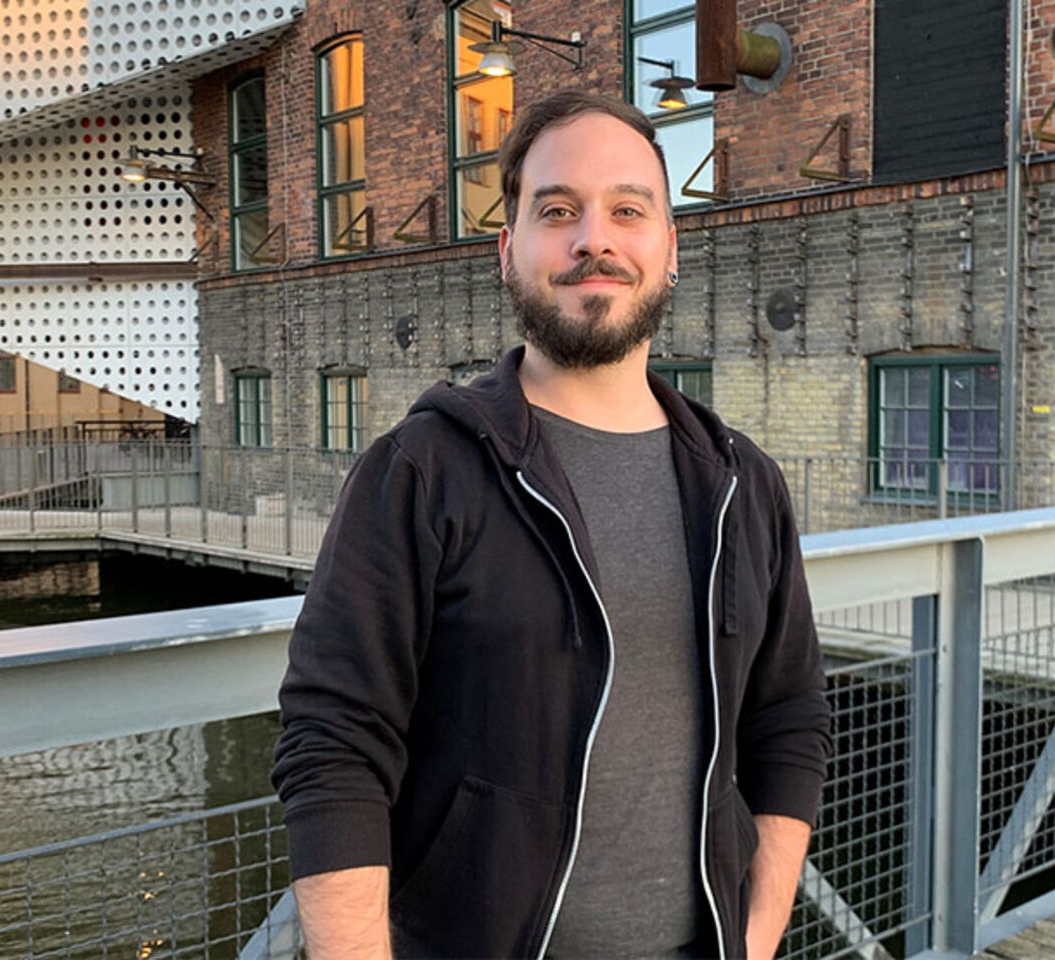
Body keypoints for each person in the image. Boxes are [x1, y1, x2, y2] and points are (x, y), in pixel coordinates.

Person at [271, 90, 832, 960]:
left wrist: (758, 933)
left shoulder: (743, 484)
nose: (592, 239)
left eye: (627, 211)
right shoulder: (422, 469)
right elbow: (335, 741)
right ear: (509, 250)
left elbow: (789, 716)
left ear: (670, 248)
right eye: (557, 210)